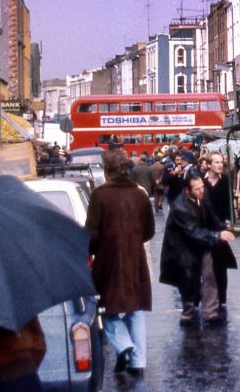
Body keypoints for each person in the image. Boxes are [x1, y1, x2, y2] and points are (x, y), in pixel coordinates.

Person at [86, 149, 155, 379]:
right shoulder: (140, 195)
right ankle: (139, 362)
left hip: (109, 260)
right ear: (126, 168)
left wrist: (93, 249)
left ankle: (124, 344)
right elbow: (150, 231)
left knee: (107, 308)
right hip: (135, 259)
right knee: (136, 310)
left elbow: (92, 235)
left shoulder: (99, 195)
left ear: (106, 171)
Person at [158, 175, 235, 325]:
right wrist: (218, 235)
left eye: (202, 187)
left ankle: (210, 311)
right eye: (197, 189)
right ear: (188, 190)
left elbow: (211, 216)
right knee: (187, 279)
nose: (201, 191)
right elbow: (193, 231)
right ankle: (188, 312)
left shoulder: (202, 195)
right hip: (182, 247)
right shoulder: (180, 207)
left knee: (210, 273)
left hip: (202, 242)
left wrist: (225, 227)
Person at [201, 152, 237, 312]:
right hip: (205, 227)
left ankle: (221, 299)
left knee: (221, 264)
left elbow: (229, 203)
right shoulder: (201, 182)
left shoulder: (226, 181)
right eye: (216, 162)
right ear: (208, 165)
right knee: (205, 264)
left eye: (221, 162)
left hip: (221, 226)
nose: (220, 165)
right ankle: (207, 298)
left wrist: (229, 221)